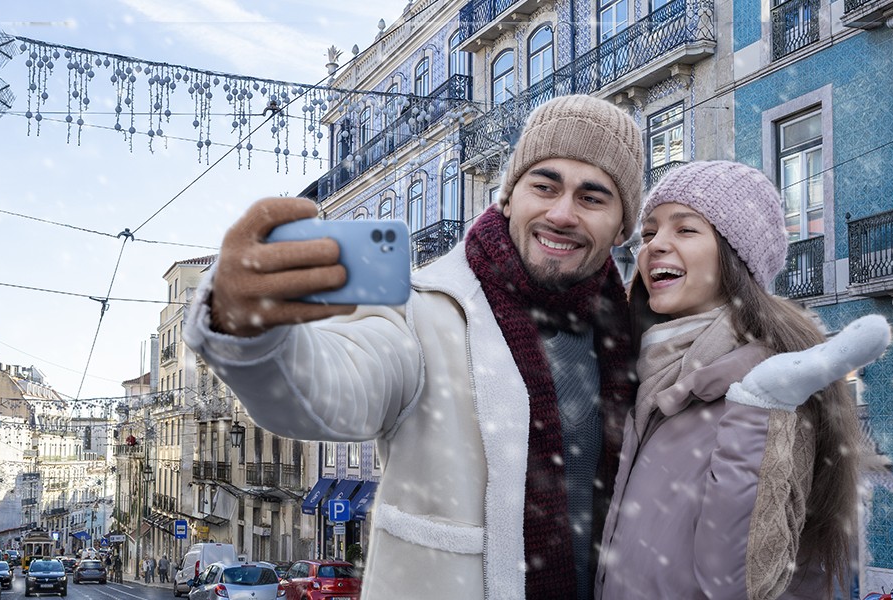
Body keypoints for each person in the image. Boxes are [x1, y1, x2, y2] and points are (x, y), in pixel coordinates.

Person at [185, 94, 645, 599]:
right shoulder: (424, 309)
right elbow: (331, 387)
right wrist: (248, 328)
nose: (562, 213)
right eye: (544, 185)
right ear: (509, 196)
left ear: (622, 225)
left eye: (592, 197)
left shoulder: (629, 333)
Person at [595, 161, 890, 599]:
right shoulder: (649, 376)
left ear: (736, 256)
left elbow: (735, 585)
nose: (656, 245)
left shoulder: (778, 390)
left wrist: (759, 409)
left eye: (685, 230)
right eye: (651, 231)